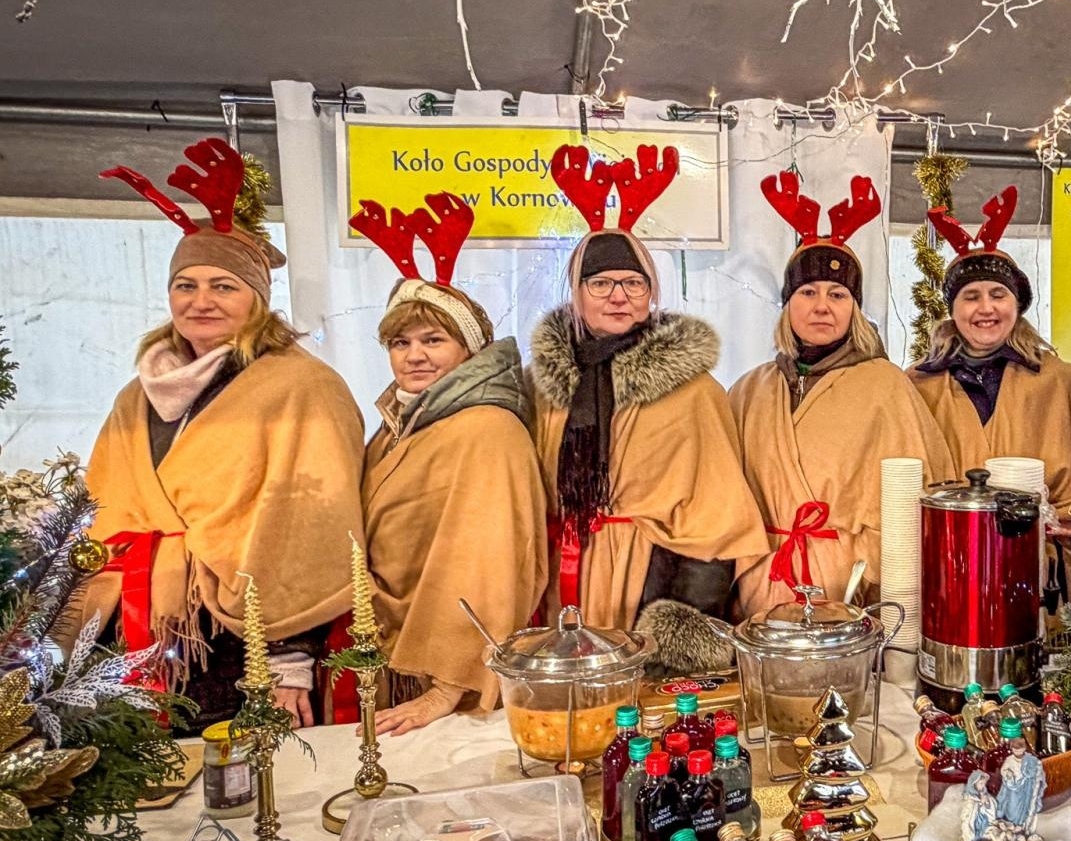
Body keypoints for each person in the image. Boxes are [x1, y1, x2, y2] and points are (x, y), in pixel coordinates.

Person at [81, 138, 364, 730]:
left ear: (257, 299)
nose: (201, 301)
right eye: (187, 285)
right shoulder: (137, 396)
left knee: (244, 786)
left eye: (223, 286)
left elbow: (312, 527)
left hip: (242, 638)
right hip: (138, 630)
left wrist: (289, 659)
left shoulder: (301, 387)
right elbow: (103, 506)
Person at [528, 144, 767, 673]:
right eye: (602, 283)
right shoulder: (545, 389)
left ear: (651, 293)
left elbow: (718, 521)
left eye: (633, 283)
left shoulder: (693, 390)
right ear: (577, 293)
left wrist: (677, 622)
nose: (619, 296)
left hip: (653, 579)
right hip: (568, 576)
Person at [350, 194, 546, 735]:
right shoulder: (401, 422)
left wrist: (448, 685)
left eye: (434, 340)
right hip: (391, 646)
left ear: (471, 349)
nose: (414, 356)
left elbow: (492, 562)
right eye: (400, 342)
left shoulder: (488, 428)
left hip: (448, 673)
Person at [729, 172, 954, 613]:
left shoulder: (886, 386)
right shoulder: (749, 389)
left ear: (854, 308)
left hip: (852, 588)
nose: (821, 306)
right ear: (788, 303)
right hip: (763, 581)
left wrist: (873, 578)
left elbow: (918, 497)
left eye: (838, 294)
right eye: (808, 291)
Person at [910, 186, 1071, 531]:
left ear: (1016, 306)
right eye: (971, 296)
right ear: (953, 310)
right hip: (946, 554)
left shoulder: (1057, 379)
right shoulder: (917, 384)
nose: (986, 308)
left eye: (998, 295)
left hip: (1037, 557)